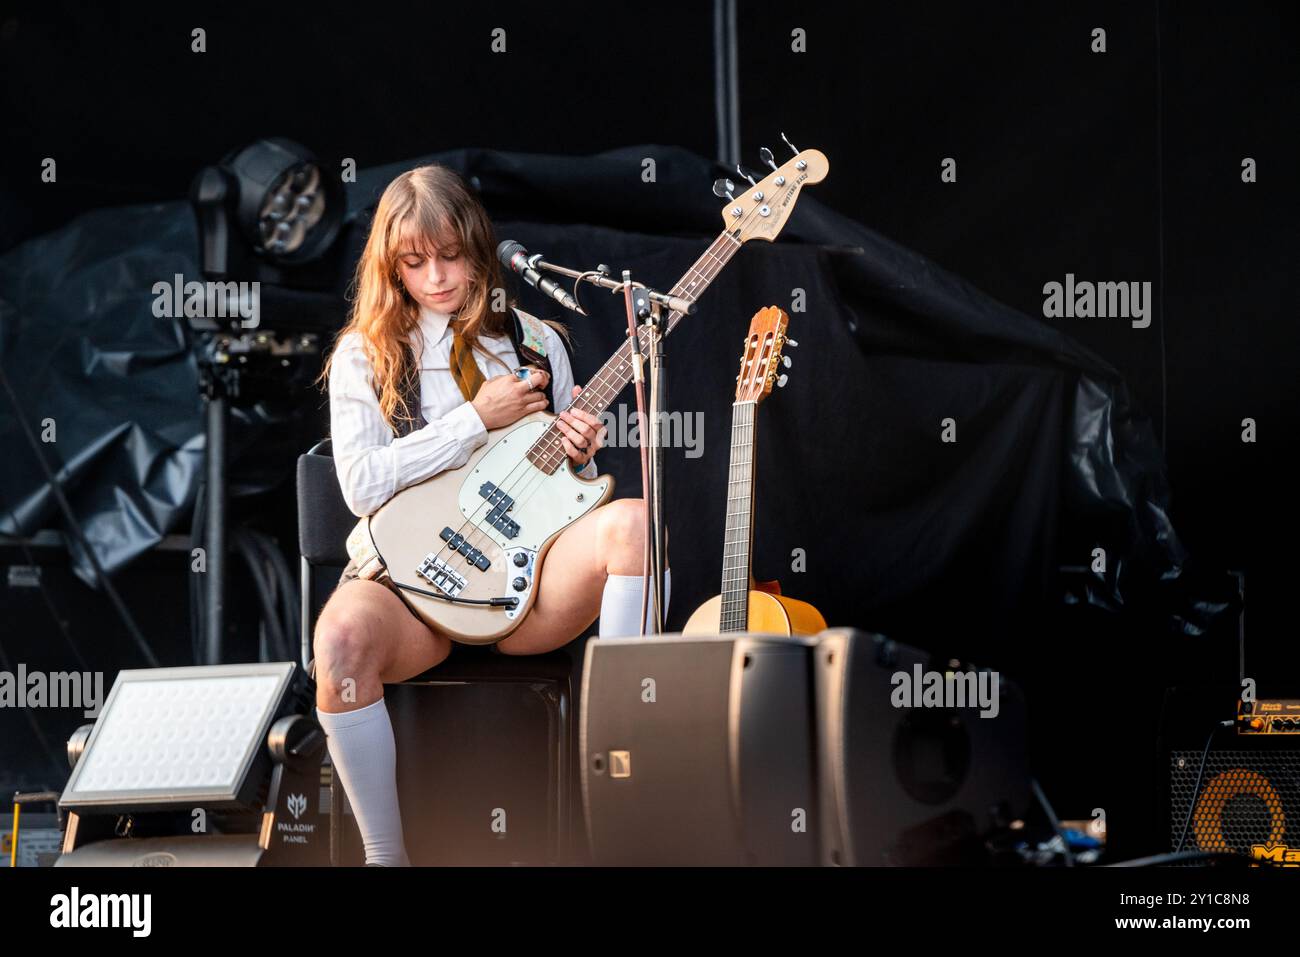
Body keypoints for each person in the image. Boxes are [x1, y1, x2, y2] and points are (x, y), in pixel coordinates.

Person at [313, 164, 669, 865]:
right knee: (341, 643)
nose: (438, 277)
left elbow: (574, 491)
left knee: (632, 525)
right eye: (415, 263)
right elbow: (359, 486)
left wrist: (579, 455)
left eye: (451, 256)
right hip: (413, 591)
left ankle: (626, 779)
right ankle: (387, 858)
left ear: (479, 248)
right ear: (392, 266)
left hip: (525, 577)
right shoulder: (366, 355)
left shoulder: (537, 342)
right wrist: (473, 420)